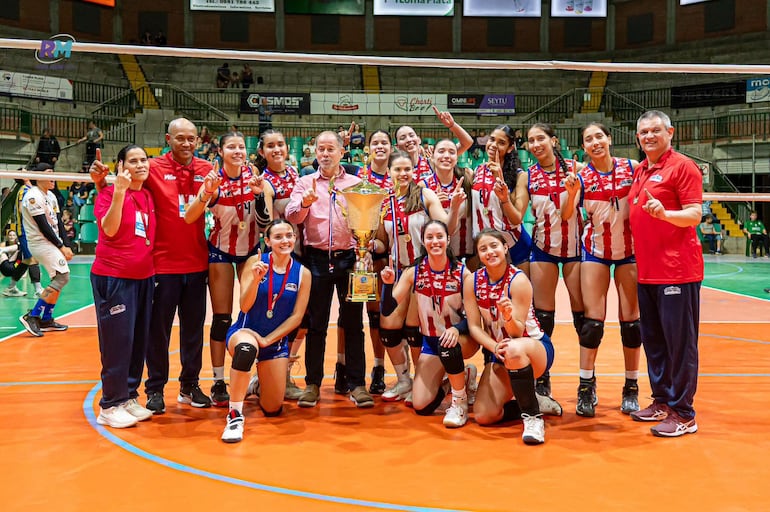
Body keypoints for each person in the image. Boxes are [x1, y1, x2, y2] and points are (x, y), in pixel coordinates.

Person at [91, 118, 214, 415]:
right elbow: (122, 187)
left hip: (197, 262)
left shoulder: (207, 170)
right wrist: (100, 182)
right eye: (180, 138)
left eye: (192, 138)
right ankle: (155, 389)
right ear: (168, 139)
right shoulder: (154, 168)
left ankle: (189, 385)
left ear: (198, 141)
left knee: (193, 330)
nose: (186, 143)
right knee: (156, 332)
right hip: (161, 266)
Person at [628, 110, 703, 437]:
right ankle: (662, 400)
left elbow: (695, 215)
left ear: (670, 132)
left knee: (679, 344)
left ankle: (684, 413)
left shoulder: (682, 167)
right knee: (655, 342)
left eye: (655, 131)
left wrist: (664, 213)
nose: (649, 136)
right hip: (648, 273)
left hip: (677, 272)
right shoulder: (642, 169)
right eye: (644, 132)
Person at [285, 130, 374, 408]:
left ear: (341, 153)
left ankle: (357, 384)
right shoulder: (305, 183)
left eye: (330, 149)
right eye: (320, 149)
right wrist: (305, 204)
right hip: (316, 260)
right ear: (315, 153)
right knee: (316, 324)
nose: (324, 154)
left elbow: (368, 222)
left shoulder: (358, 184)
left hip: (350, 259)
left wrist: (365, 253)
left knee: (354, 324)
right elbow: (291, 215)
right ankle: (312, 383)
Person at [184, 131, 267, 408]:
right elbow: (189, 216)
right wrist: (206, 192)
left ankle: (252, 374)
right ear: (220, 151)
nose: (237, 151)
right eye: (231, 147)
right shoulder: (213, 180)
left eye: (241, 147)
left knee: (249, 311)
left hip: (250, 251)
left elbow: (264, 216)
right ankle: (218, 380)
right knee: (221, 318)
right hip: (220, 251)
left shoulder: (254, 174)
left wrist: (259, 194)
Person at [380, 220, 478, 428]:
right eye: (430, 237)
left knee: (448, 345)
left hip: (460, 338)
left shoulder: (462, 273)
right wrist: (387, 286)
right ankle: (463, 375)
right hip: (431, 343)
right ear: (423, 242)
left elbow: (474, 317)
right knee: (421, 406)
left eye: (439, 237)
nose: (435, 241)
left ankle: (459, 403)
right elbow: (388, 309)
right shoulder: (414, 272)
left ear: (448, 240)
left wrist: (456, 328)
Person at [220, 220, 311, 443]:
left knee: (273, 407)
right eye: (278, 237)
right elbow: (243, 306)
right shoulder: (256, 262)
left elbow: (297, 317)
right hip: (246, 332)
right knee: (245, 349)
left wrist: (268, 340)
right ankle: (235, 415)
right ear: (267, 241)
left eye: (289, 235)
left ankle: (257, 383)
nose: (285, 240)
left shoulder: (302, 273)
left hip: (274, 341)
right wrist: (256, 280)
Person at [374, 150, 453, 403]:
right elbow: (381, 241)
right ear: (390, 172)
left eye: (407, 169)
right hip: (396, 273)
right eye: (397, 169)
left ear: (414, 170)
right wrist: (365, 245)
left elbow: (443, 226)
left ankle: (426, 378)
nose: (403, 174)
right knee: (387, 326)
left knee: (414, 328)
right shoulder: (384, 202)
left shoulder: (424, 194)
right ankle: (403, 379)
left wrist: (457, 206)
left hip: (423, 272)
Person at [574, 123, 641, 417]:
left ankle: (631, 387)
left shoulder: (633, 167)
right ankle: (586, 386)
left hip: (629, 253)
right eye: (588, 139)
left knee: (632, 324)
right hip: (596, 252)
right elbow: (567, 214)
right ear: (584, 147)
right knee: (592, 324)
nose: (595, 142)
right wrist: (570, 191)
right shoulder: (581, 177)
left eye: (599, 136)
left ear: (609, 139)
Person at [465, 229, 554, 445]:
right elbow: (474, 327)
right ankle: (534, 400)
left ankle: (533, 418)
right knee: (484, 415)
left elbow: (516, 332)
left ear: (505, 248)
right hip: (501, 352)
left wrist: (507, 316)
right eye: (483, 249)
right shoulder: (472, 282)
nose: (490, 252)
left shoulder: (518, 280)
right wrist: (494, 348)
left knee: (514, 349)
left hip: (533, 349)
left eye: (494, 246)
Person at [91, 144, 156, 429]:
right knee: (117, 341)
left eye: (144, 159)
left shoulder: (148, 195)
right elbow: (110, 229)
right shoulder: (108, 193)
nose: (141, 164)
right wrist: (117, 191)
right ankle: (110, 404)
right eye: (133, 160)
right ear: (121, 166)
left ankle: (129, 396)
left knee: (137, 340)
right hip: (115, 277)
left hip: (144, 277)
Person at [525, 123, 584, 414]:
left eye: (541, 139)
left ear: (553, 140)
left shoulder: (578, 169)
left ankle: (587, 384)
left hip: (575, 251)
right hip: (542, 250)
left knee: (586, 321)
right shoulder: (528, 175)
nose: (536, 144)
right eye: (531, 141)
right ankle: (542, 376)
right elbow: (516, 209)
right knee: (542, 318)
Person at [253, 129, 305, 400]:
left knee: (300, 320)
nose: (276, 149)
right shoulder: (264, 181)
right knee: (274, 315)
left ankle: (281, 372)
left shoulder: (296, 174)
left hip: (301, 253)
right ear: (262, 151)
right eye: (270, 146)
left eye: (280, 144)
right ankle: (265, 376)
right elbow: (266, 224)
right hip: (278, 256)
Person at [18, 164, 73, 337]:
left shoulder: (51, 196)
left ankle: (46, 319)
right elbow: (44, 226)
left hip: (51, 242)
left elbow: (58, 223)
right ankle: (33, 315)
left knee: (58, 278)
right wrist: (60, 246)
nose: (53, 177)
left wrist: (67, 244)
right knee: (63, 276)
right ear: (38, 176)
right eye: (49, 174)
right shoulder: (33, 196)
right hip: (40, 243)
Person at [470, 125, 531, 275]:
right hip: (485, 248)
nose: (493, 145)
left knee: (520, 297)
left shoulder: (520, 176)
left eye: (501, 142)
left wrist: (499, 179)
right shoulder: (478, 171)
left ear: (510, 148)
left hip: (514, 246)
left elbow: (517, 218)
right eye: (492, 139)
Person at [421, 139, 474, 262]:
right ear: (432, 157)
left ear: (456, 157)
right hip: (436, 254)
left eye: (451, 152)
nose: (446, 156)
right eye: (441, 151)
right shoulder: (423, 186)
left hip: (467, 254)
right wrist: (433, 203)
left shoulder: (467, 176)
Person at [395, 106, 474, 182]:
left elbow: (467, 143)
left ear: (418, 140)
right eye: (403, 138)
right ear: (397, 146)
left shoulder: (432, 162)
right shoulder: (394, 168)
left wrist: (452, 125)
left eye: (411, 135)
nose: (409, 140)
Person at [1, 229, 32, 297]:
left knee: (21, 248)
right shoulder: (3, 244)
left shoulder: (20, 246)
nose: (11, 237)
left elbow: (24, 260)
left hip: (14, 265)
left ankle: (12, 288)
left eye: (13, 235)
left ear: (16, 237)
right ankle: (12, 288)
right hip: (5, 266)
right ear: (7, 236)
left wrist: (24, 273)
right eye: (10, 235)